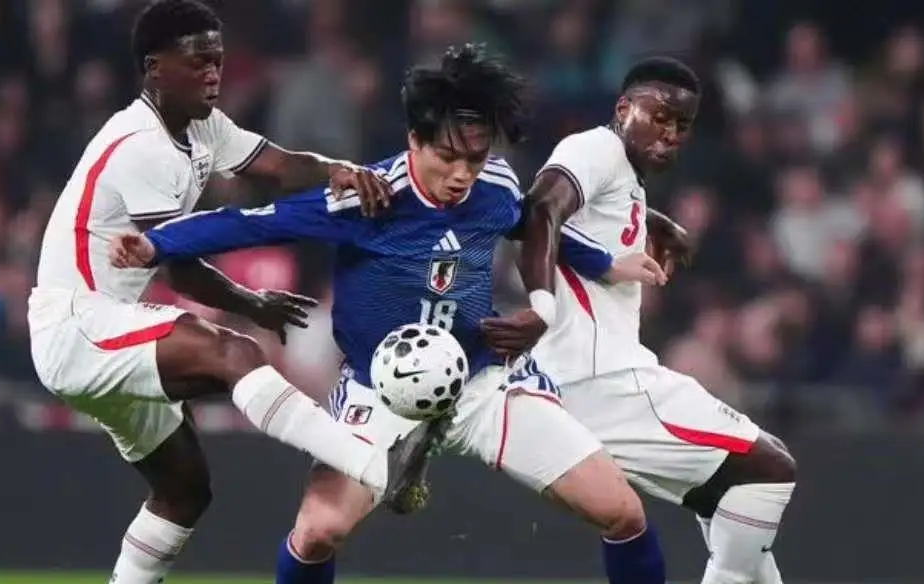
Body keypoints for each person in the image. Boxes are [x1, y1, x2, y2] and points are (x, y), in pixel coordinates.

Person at [111, 44, 674, 584]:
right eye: (447, 157)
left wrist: (604, 262)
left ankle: (428, 443)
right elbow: (254, 223)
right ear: (414, 141)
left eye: (474, 159)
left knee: (622, 511)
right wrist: (157, 244)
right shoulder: (371, 197)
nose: (462, 174)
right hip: (378, 388)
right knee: (317, 533)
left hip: (482, 379)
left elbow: (533, 226)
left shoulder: (495, 186)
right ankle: (404, 444)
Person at [27, 2, 433, 583]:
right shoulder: (140, 145)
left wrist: (336, 169)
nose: (213, 73)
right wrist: (251, 304)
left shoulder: (202, 127)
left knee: (183, 489)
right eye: (198, 62)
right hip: (78, 325)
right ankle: (373, 466)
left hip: (109, 327)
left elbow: (278, 165)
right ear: (155, 68)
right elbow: (177, 263)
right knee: (234, 352)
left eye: (217, 60)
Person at [482, 56, 799, 584]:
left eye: (682, 125)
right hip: (601, 378)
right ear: (623, 107)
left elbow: (577, 219)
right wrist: (546, 304)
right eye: (660, 117)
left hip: (597, 376)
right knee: (769, 469)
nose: (670, 134)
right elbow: (536, 214)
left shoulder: (623, 174)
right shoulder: (594, 149)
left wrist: (649, 219)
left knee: (731, 496)